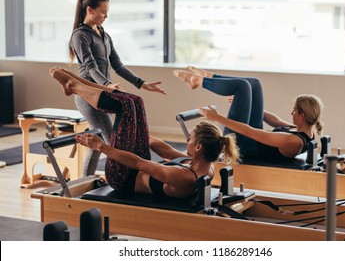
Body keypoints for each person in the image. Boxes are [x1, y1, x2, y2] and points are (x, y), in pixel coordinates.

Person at [49, 68, 240, 198]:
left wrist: (101, 146)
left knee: (125, 106)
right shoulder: (203, 165)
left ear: (198, 146)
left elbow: (137, 162)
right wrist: (133, 130)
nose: (187, 140)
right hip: (133, 166)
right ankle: (75, 82)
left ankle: (73, 86)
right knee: (135, 102)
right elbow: (164, 150)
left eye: (189, 139)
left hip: (122, 177)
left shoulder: (184, 177)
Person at [69, 0, 166, 176]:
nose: (106, 16)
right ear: (90, 9)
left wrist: (142, 84)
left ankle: (85, 180)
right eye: (103, 12)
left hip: (103, 92)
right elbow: (90, 67)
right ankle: (125, 177)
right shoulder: (80, 35)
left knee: (99, 142)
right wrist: (106, 84)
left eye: (107, 12)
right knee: (109, 141)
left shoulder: (103, 34)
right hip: (88, 95)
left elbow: (118, 66)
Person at [173, 66, 324, 162]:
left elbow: (248, 131)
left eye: (294, 110)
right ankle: (212, 77)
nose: (291, 113)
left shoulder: (294, 142)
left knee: (242, 86)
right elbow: (275, 121)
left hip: (242, 148)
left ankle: (198, 81)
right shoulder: (305, 131)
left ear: (302, 115)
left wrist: (217, 117)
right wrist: (245, 103)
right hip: (250, 141)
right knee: (255, 83)